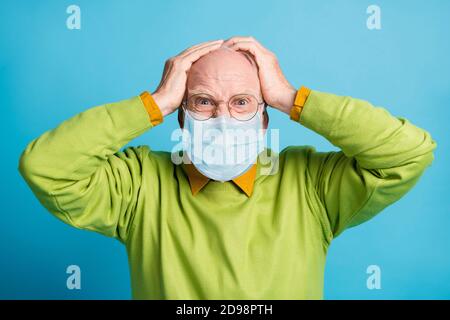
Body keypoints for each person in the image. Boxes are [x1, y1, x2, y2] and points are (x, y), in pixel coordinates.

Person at [19, 36, 436, 299]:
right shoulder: (139, 184)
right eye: (203, 101)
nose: (223, 117)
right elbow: (46, 166)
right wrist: (155, 103)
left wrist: (292, 98)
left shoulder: (310, 184)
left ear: (265, 116)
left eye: (242, 102)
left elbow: (407, 153)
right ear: (181, 117)